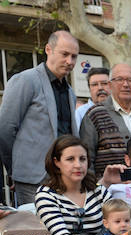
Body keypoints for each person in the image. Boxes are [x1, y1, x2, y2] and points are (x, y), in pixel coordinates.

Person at [0, 31, 78, 206]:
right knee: (34, 231)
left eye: (74, 56)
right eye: (65, 54)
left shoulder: (70, 92)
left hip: (64, 179)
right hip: (31, 179)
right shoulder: (26, 80)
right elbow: (5, 128)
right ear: (48, 49)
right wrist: (15, 169)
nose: (70, 62)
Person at [80, 63, 131, 187]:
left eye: (130, 80)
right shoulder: (95, 115)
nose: (125, 84)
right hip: (110, 196)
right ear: (110, 85)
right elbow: (86, 159)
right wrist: (94, 192)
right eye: (119, 79)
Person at [73, 67, 109, 132]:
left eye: (104, 83)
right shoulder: (80, 113)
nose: (100, 88)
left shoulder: (120, 110)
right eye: (94, 84)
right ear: (89, 88)